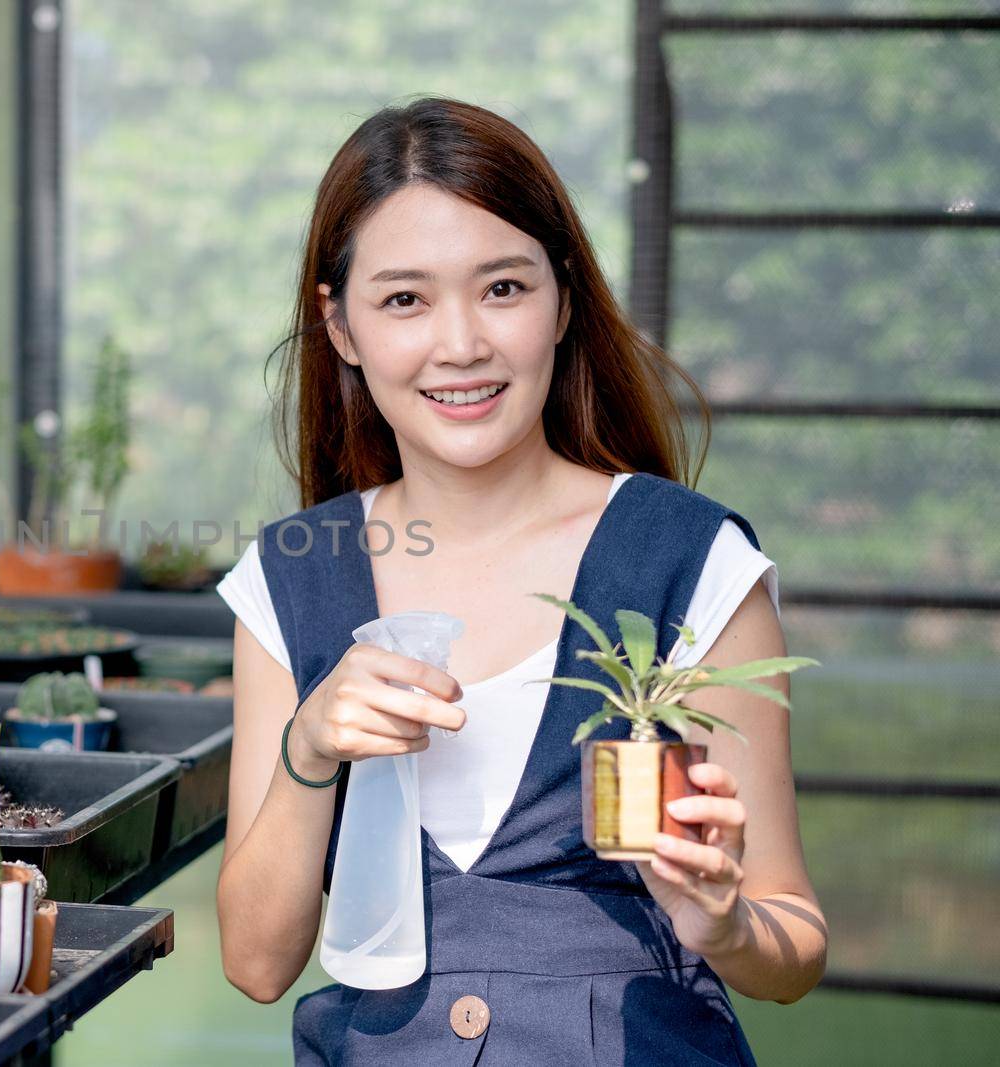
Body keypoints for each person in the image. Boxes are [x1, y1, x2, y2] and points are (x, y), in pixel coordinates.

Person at [214, 96, 827, 1065]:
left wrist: (727, 923)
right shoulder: (290, 576)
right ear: (339, 326)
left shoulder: (691, 559)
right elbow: (255, 960)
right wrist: (310, 746)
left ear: (563, 298)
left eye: (502, 287)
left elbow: (791, 948)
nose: (460, 343)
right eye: (404, 299)